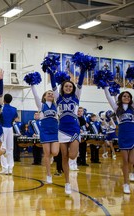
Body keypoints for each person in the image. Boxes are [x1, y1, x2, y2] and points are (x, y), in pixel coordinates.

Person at [50, 67, 86, 195]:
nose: (69, 88)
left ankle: (69, 177)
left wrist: (83, 71)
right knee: (64, 157)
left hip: (74, 130)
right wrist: (50, 72)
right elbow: (53, 85)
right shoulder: (58, 98)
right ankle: (67, 183)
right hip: (62, 131)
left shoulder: (76, 97)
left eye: (71, 86)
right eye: (66, 86)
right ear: (63, 87)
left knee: (72, 155)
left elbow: (80, 84)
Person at [104, 88, 134, 194]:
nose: (126, 97)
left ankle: (131, 172)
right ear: (121, 98)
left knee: (132, 161)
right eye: (124, 96)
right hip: (123, 136)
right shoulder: (117, 109)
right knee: (125, 161)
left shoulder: (133, 107)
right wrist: (104, 87)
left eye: (128, 96)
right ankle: (125, 184)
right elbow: (109, 98)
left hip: (133, 135)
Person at [31, 85, 59, 184]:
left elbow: (58, 93)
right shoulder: (41, 106)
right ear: (45, 97)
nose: (51, 94)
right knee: (47, 154)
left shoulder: (57, 106)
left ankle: (51, 157)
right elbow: (35, 96)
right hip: (45, 132)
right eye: (49, 94)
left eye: (52, 93)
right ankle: (48, 174)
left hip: (55, 132)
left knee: (55, 152)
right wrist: (32, 85)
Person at [0, 94, 18, 175]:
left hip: (2, 128)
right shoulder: (14, 109)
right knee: (10, 148)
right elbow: (16, 119)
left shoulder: (1, 108)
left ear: (4, 100)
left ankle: (5, 168)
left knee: (2, 147)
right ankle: (10, 168)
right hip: (10, 128)